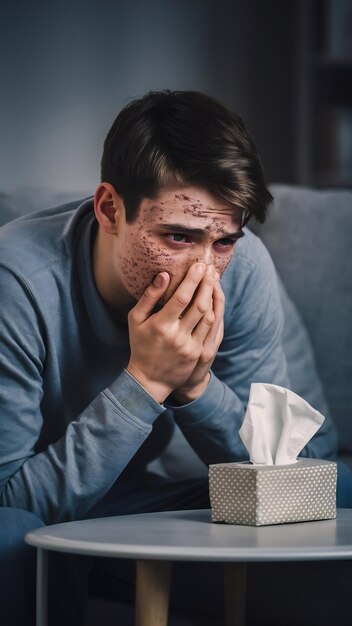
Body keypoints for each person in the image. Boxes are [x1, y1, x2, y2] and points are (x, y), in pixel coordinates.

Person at [0, 90, 349, 625]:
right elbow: (9, 501)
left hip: (133, 501)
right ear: (109, 208)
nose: (203, 272)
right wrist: (142, 385)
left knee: (338, 489)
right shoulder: (16, 283)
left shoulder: (245, 267)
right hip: (29, 501)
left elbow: (286, 472)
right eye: (178, 237)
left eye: (224, 242)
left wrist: (195, 387)